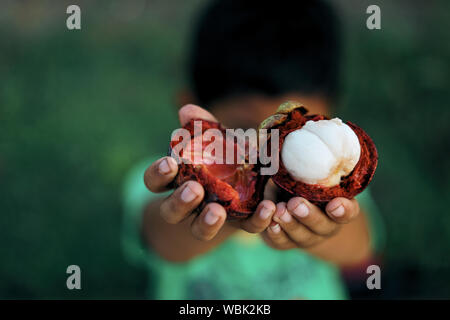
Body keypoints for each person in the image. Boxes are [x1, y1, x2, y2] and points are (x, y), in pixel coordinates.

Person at [122, 0, 384, 299]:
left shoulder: (337, 182)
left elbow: (359, 247)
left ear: (328, 112)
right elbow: (161, 240)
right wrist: (225, 212)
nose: (265, 151)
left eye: (289, 131)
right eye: (247, 130)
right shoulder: (163, 180)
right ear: (192, 106)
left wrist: (324, 230)